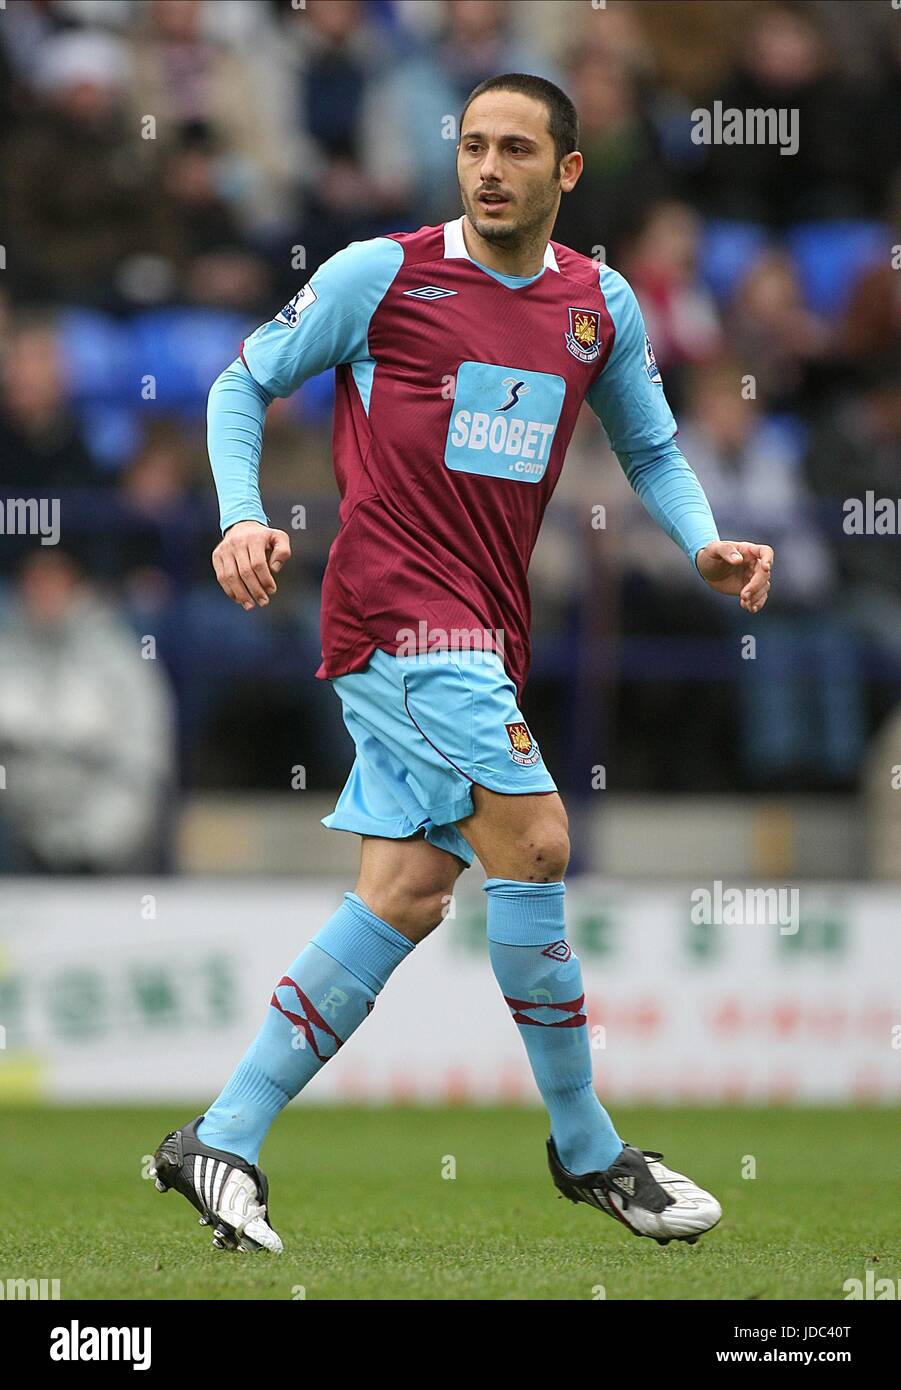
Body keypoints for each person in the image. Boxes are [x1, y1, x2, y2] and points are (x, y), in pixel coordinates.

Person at [151, 74, 773, 1255]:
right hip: (395, 621)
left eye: (515, 149)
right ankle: (588, 1149)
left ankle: (219, 1138)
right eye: (472, 145)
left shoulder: (595, 305)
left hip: (484, 633)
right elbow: (242, 381)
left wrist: (701, 543)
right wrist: (240, 514)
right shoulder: (378, 275)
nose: (487, 166)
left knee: (409, 891)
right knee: (535, 839)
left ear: (566, 172)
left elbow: (649, 442)